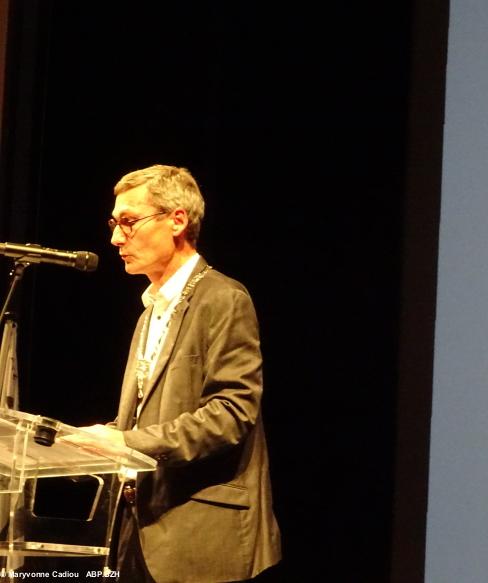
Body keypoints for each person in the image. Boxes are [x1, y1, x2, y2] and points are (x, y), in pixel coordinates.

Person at [80, 164, 281, 582]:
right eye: (115, 223)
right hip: (139, 534)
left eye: (130, 222)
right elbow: (140, 419)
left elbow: (231, 413)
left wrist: (125, 441)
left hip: (202, 537)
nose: (116, 238)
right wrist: (88, 442)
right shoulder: (149, 312)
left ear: (177, 220)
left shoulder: (223, 299)